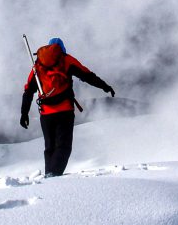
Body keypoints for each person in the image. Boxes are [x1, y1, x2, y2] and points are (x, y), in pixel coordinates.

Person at [20, 37, 115, 177]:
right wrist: (105, 86)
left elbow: (28, 91)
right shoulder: (66, 60)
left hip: (46, 114)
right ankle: (53, 177)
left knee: (50, 148)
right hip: (64, 111)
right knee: (63, 147)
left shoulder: (38, 66)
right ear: (61, 49)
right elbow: (87, 75)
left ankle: (49, 177)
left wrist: (24, 113)